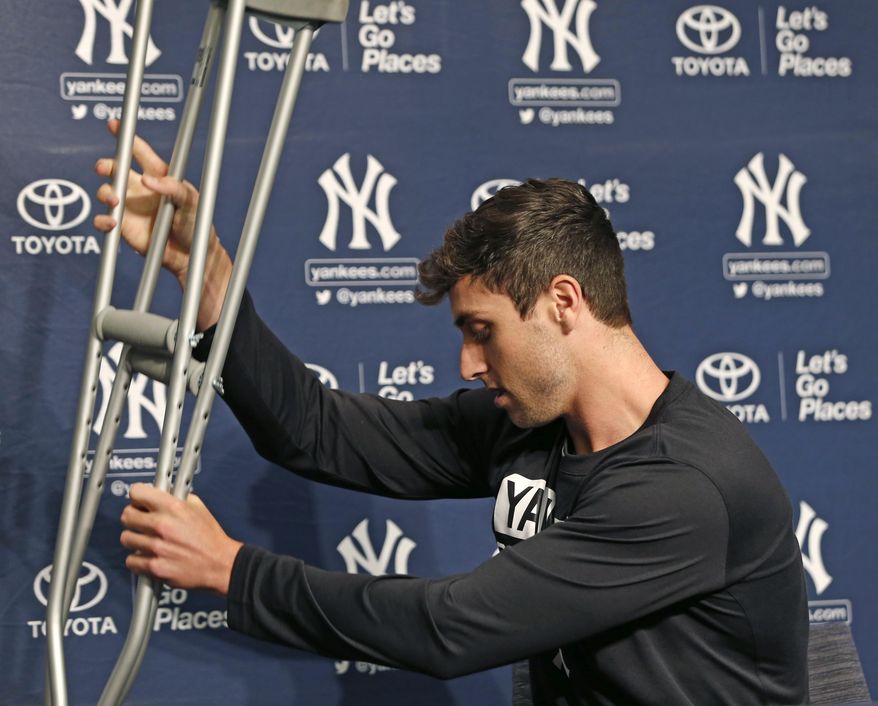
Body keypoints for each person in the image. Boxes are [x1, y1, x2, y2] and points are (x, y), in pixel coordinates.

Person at [94, 121, 809, 705]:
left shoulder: (682, 487)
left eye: (482, 331)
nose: (469, 366)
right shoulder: (532, 426)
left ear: (563, 303)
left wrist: (232, 570)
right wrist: (209, 273)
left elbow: (449, 630)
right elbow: (318, 432)